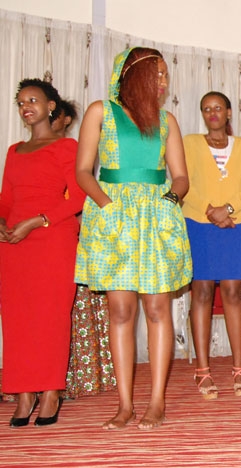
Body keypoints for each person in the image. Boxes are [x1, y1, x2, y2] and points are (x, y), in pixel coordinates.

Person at [74, 47, 192, 430]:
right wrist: (109, 208)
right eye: (156, 74)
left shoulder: (166, 121)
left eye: (165, 75)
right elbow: (83, 172)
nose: (162, 82)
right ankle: (125, 405)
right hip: (112, 218)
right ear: (133, 74)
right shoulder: (100, 112)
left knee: (158, 310)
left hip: (155, 219)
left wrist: (168, 202)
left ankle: (156, 402)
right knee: (121, 312)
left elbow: (180, 177)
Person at [0, 79, 86, 427]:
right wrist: (2, 223)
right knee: (17, 319)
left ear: (52, 106)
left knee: (50, 316)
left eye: (33, 100)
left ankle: (51, 391)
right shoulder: (13, 150)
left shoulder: (67, 146)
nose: (26, 107)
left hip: (52, 237)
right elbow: (6, 199)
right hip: (14, 244)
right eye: (21, 102)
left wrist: (37, 221)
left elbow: (80, 197)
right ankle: (23, 393)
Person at [183, 91, 241, 399]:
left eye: (218, 107)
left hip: (236, 225)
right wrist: (210, 210)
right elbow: (181, 180)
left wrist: (226, 210)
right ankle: (202, 370)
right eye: (206, 109)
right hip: (199, 224)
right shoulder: (189, 143)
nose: (212, 113)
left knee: (232, 292)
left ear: (228, 112)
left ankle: (239, 368)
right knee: (201, 292)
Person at [53, 98, 117, 399]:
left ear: (66, 121)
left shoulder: (74, 151)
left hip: (76, 230)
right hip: (49, 235)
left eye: (57, 117)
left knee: (83, 309)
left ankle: (83, 375)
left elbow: (81, 191)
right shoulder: (30, 151)